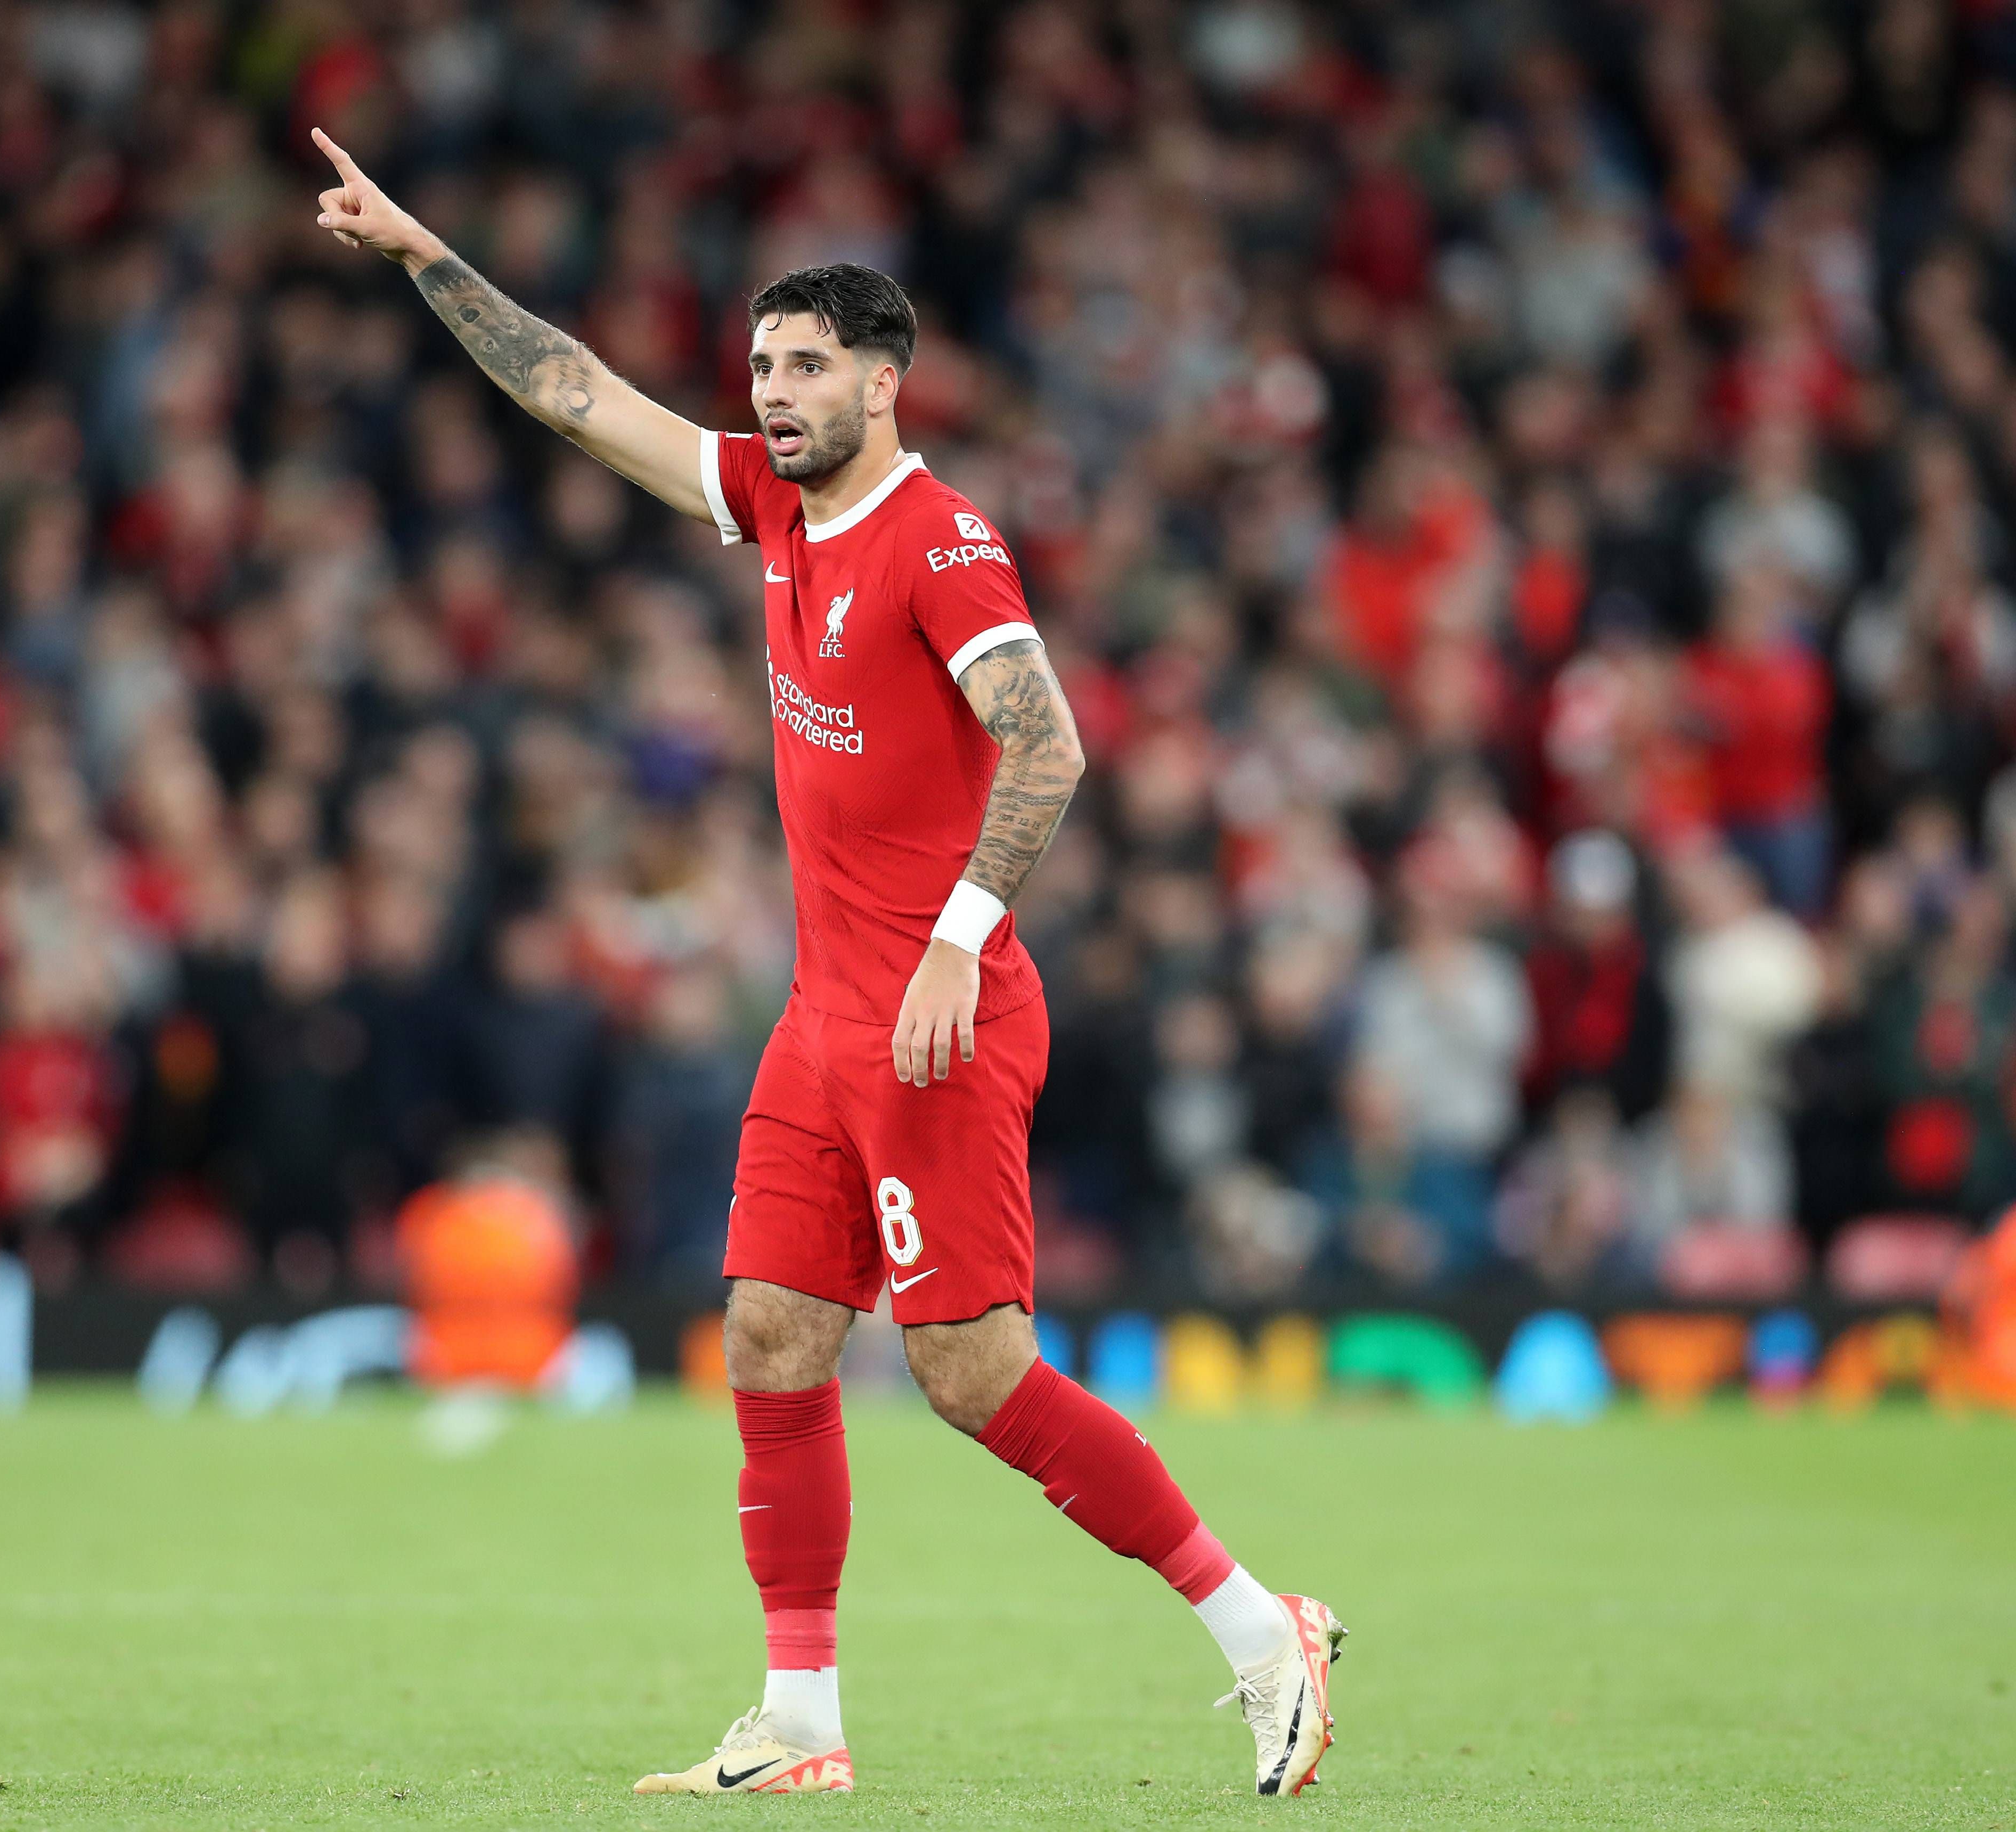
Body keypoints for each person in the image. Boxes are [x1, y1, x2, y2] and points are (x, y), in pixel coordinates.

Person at [311, 130, 1343, 1801]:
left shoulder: (940, 547)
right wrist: (429, 257)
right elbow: (577, 394)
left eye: (803, 368)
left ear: (883, 379)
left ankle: (1255, 1627)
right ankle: (801, 1723)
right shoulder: (770, 509)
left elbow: (1053, 748)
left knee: (970, 1374)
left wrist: (956, 945)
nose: (771, 393)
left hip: (942, 1020)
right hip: (824, 1024)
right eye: (760, 368)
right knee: (774, 1337)